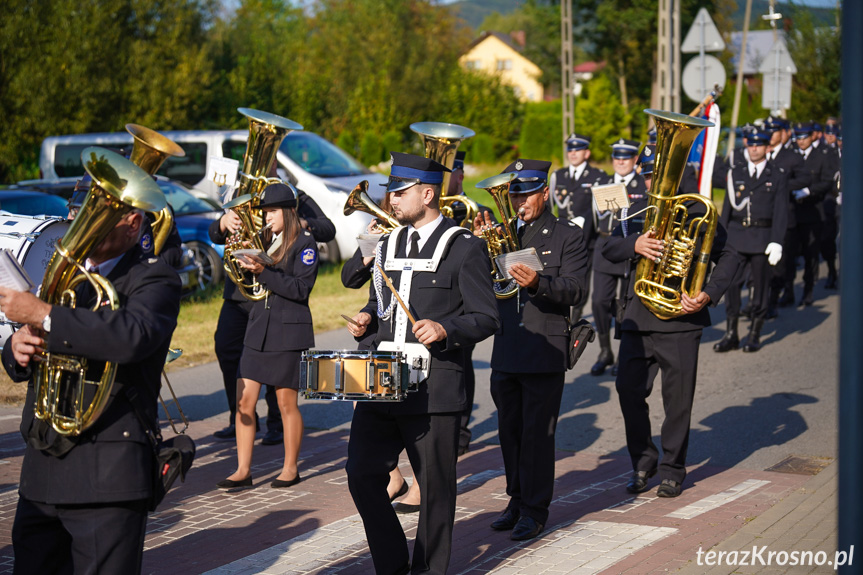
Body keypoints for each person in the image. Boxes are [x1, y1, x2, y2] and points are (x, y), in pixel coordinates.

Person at [0, 171, 181, 574]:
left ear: (133, 223)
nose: (79, 226)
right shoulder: (62, 275)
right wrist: (15, 349)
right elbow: (27, 354)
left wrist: (44, 314)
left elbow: (133, 336)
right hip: (42, 470)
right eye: (77, 212)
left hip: (107, 476)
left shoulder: (154, 277)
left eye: (94, 217)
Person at [345, 152, 499, 575]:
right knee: (361, 474)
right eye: (391, 192)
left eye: (400, 192)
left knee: (434, 492)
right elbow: (380, 302)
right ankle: (392, 564)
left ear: (428, 193)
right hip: (382, 383)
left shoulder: (465, 247)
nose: (391, 199)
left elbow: (486, 316)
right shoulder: (388, 242)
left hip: (434, 390)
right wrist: (366, 319)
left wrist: (447, 329)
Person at [603, 150, 740, 498]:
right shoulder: (635, 209)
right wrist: (634, 243)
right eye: (648, 176)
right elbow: (606, 248)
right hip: (637, 317)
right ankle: (643, 461)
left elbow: (730, 255)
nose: (653, 183)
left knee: (677, 401)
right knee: (628, 392)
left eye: (659, 175)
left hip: (681, 317)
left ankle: (672, 469)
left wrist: (707, 294)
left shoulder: (697, 210)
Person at [474, 159, 588, 542]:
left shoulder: (566, 235)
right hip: (507, 345)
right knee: (509, 433)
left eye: (525, 194)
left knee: (537, 435)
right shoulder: (503, 233)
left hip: (544, 349)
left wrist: (540, 282)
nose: (518, 201)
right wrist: (479, 248)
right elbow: (487, 288)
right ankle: (516, 499)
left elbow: (576, 289)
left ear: (545, 193)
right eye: (513, 194)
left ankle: (535, 510)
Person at [210, 165, 334, 444]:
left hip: (273, 295)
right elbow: (216, 236)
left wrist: (298, 222)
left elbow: (328, 228)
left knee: (274, 361)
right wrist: (223, 223)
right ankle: (238, 418)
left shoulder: (293, 196)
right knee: (227, 348)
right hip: (241, 293)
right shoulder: (240, 192)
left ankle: (276, 422)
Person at [217, 182, 318, 489]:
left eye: (272, 212)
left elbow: (300, 290)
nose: (266, 218)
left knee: (286, 403)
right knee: (244, 401)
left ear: (288, 212)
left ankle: (290, 468)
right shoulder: (263, 239)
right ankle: (243, 469)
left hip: (288, 331)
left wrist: (264, 272)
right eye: (264, 213)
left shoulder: (305, 244)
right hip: (258, 328)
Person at [714, 130, 788, 353]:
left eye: (759, 145)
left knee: (760, 288)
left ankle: (754, 333)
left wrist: (777, 241)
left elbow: (781, 211)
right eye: (751, 145)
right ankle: (731, 333)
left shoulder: (777, 174)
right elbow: (727, 208)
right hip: (736, 237)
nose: (754, 149)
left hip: (762, 239)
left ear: (767, 148)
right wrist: (720, 239)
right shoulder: (736, 173)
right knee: (732, 286)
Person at [590, 138, 645, 376]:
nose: (620, 162)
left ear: (634, 160)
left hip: (630, 247)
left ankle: (625, 354)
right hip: (604, 244)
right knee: (600, 301)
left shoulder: (642, 183)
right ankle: (605, 351)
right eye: (616, 158)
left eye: (625, 158)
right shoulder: (602, 181)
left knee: (626, 304)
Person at [549, 133, 607, 322]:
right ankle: (565, 314)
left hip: (587, 238)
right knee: (561, 275)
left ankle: (576, 316)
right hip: (562, 239)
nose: (573, 153)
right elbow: (550, 208)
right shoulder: (558, 176)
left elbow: (601, 212)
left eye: (578, 149)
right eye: (570, 149)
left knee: (582, 279)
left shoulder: (598, 177)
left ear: (587, 153)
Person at [782, 121, 834, 306]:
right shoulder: (791, 155)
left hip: (812, 212)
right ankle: (788, 290)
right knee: (789, 254)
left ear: (811, 136)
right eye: (797, 137)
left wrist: (809, 191)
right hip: (792, 212)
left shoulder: (822, 155)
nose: (800, 141)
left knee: (811, 253)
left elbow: (828, 181)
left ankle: (808, 290)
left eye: (803, 137)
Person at [763, 116, 810, 317]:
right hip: (762, 217)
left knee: (782, 263)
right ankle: (761, 300)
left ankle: (776, 298)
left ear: (782, 133)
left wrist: (782, 188)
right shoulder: (759, 155)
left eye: (774, 131)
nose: (771, 135)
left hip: (785, 216)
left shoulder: (791, 157)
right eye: (768, 131)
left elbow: (805, 177)